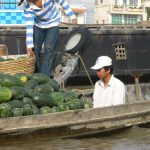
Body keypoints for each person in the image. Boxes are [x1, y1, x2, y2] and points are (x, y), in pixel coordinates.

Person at [18, 0, 77, 76]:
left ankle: (46, 75)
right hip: (39, 25)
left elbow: (62, 2)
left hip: (53, 23)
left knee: (48, 49)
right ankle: (39, 74)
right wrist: (29, 45)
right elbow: (29, 26)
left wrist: (72, 16)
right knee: (35, 50)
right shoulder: (27, 6)